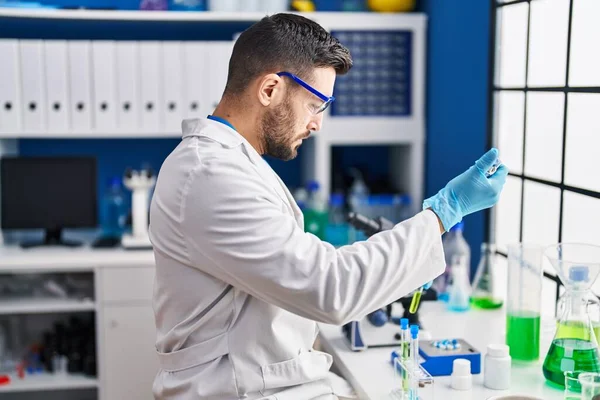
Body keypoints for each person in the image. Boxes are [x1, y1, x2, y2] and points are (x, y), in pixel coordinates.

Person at [149, 13, 508, 400]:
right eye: (315, 105)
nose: (318, 124)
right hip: (239, 390)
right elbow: (330, 288)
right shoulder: (211, 175)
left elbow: (298, 267)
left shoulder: (229, 163)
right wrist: (443, 213)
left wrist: (399, 259)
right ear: (270, 89)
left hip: (260, 379)